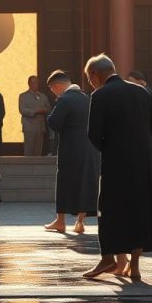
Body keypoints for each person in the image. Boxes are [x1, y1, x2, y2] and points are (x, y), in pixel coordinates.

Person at [83, 54, 152, 281]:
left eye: (89, 77)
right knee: (139, 211)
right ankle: (134, 266)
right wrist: (138, 139)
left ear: (96, 74)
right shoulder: (141, 92)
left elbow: (93, 135)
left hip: (116, 163)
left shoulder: (100, 95)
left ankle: (110, 259)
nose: (90, 82)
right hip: (145, 161)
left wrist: (112, 146)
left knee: (112, 211)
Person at [43, 70, 99, 234]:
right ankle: (80, 222)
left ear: (58, 85)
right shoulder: (87, 98)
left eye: (52, 88)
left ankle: (60, 221)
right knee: (85, 182)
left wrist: (50, 114)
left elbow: (54, 123)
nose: (52, 92)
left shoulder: (64, 100)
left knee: (65, 181)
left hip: (71, 148)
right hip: (91, 147)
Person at [18, 76, 51, 156]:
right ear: (29, 84)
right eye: (32, 82)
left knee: (38, 150)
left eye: (36, 82)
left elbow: (49, 108)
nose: (34, 84)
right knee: (29, 150)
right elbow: (22, 110)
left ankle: (38, 168)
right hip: (29, 126)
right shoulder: (23, 96)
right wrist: (35, 111)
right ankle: (27, 167)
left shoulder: (43, 96)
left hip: (40, 126)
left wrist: (44, 110)